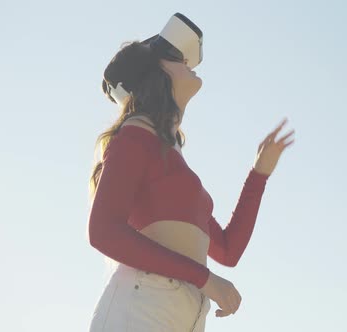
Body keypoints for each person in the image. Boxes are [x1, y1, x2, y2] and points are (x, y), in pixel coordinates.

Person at [87, 40, 295, 331]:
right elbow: (103, 232)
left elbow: (227, 250)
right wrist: (205, 279)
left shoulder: (173, 162)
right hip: (144, 307)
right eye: (174, 57)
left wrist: (259, 174)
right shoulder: (134, 136)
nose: (186, 60)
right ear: (154, 74)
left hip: (185, 315)